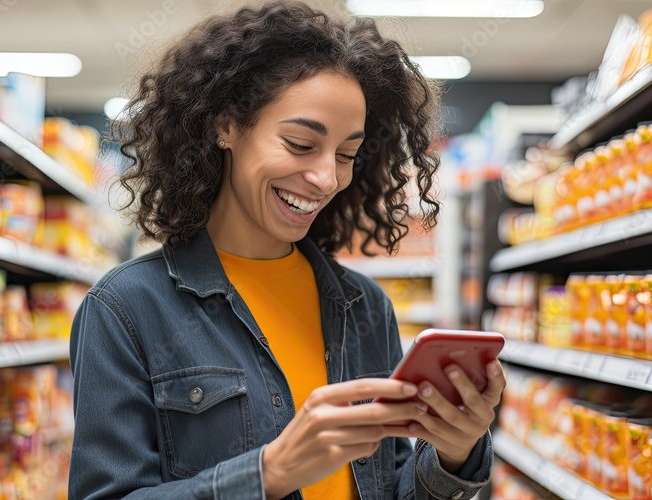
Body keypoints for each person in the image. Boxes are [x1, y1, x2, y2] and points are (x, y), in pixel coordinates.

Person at [69, 2, 506, 498]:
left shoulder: (363, 307)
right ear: (226, 126)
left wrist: (454, 453)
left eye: (346, 155)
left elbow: (390, 483)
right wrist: (267, 474)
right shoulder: (126, 309)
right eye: (300, 144)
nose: (326, 178)